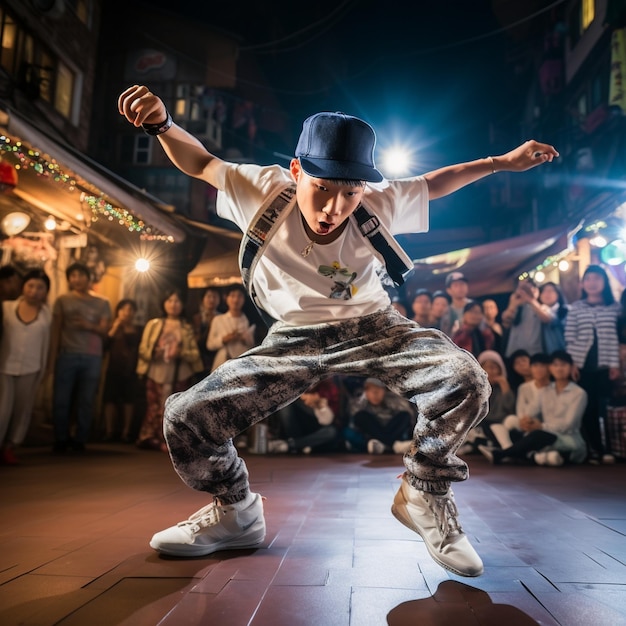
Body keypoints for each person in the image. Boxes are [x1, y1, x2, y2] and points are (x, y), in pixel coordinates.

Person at [118, 84, 558, 577]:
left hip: (373, 325)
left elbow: (436, 182)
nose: (333, 209)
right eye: (322, 190)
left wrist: (500, 162)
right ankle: (235, 512)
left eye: (349, 194)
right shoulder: (260, 189)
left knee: (465, 378)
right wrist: (162, 125)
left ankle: (424, 493)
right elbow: (201, 163)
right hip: (293, 337)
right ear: (297, 171)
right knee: (186, 415)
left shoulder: (377, 202)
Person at [479, 350, 587, 466]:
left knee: (537, 435)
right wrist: (527, 421)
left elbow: (568, 425)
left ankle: (502, 454)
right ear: (550, 368)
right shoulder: (546, 390)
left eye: (563, 365)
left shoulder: (578, 393)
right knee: (520, 432)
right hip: (545, 437)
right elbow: (532, 410)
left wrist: (541, 426)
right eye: (555, 365)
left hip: (569, 441)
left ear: (571, 368)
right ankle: (534, 456)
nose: (559, 369)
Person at [49, 262, 112, 453]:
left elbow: (105, 330)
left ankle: (80, 439)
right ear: (69, 279)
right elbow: (56, 330)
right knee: (61, 399)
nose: (76, 279)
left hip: (92, 356)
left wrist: (88, 325)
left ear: (89, 277)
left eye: (80, 275)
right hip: (67, 354)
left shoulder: (102, 302)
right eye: (73, 275)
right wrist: (52, 359)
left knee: (86, 400)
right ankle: (61, 438)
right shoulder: (62, 300)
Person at [565, 264, 621, 464]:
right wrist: (572, 364)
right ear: (583, 283)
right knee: (586, 407)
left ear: (604, 282)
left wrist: (615, 365)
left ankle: (606, 449)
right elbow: (570, 338)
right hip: (582, 365)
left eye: (597, 279)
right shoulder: (576, 307)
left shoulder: (615, 307)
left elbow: (615, 338)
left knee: (603, 408)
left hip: (605, 365)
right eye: (588, 279)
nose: (592, 283)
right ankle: (591, 450)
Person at [136, 289, 203, 451]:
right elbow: (143, 349)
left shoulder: (186, 327)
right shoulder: (153, 324)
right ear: (164, 303)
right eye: (170, 301)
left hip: (179, 372)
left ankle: (171, 439)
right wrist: (154, 352)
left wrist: (181, 353)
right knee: (154, 406)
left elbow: (194, 354)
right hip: (156, 370)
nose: (173, 305)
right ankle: (151, 436)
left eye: (177, 301)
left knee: (175, 407)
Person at [0, 269, 51, 464]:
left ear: (46, 291)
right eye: (30, 285)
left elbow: (50, 343)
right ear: (23, 286)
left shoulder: (47, 314)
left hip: (31, 366)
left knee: (22, 409)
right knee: (3, 409)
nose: (34, 291)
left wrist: (47, 367)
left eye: (40, 287)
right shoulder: (6, 308)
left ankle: (10, 446)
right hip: (4, 365)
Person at [488, 352, 552, 450]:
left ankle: (508, 451)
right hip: (524, 422)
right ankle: (508, 448)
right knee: (508, 421)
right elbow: (520, 409)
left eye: (523, 360)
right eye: (535, 366)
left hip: (543, 424)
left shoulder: (552, 388)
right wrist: (524, 420)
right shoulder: (523, 387)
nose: (538, 369)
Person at [102, 299, 142, 443]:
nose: (127, 312)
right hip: (113, 368)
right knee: (109, 399)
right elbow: (104, 346)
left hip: (131, 369)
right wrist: (114, 328)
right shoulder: (112, 327)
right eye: (123, 309)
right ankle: (109, 431)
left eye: (130, 309)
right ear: (118, 311)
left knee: (129, 400)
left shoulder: (138, 330)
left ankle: (126, 432)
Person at [269, 378, 342, 454]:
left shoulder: (329, 388)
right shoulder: (294, 385)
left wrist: (320, 406)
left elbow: (327, 421)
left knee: (331, 432)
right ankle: (301, 444)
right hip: (296, 429)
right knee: (284, 402)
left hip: (317, 429)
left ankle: (292, 444)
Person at [346, 377, 416, 455]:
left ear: (384, 391)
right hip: (371, 437)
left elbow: (408, 415)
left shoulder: (393, 399)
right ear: (366, 391)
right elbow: (354, 421)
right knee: (360, 417)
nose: (375, 394)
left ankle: (384, 445)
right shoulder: (359, 402)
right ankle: (395, 445)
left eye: (378, 390)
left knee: (405, 416)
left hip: (392, 431)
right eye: (371, 390)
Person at [206, 283, 256, 372]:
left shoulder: (248, 320)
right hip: (222, 364)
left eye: (239, 296)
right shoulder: (218, 319)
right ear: (226, 298)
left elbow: (254, 345)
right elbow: (210, 345)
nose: (236, 300)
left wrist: (244, 339)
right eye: (232, 296)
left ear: (244, 299)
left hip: (243, 365)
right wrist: (223, 340)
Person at [501, 278, 552, 359]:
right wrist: (513, 303)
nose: (529, 291)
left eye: (532, 288)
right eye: (524, 289)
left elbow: (547, 319)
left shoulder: (542, 307)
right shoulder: (517, 306)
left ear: (538, 290)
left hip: (535, 353)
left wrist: (531, 300)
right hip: (515, 353)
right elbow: (506, 321)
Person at [191, 287, 222, 378]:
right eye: (208, 296)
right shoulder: (196, 318)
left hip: (217, 358)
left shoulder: (222, 317)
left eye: (215, 297)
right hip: (199, 360)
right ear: (203, 299)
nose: (212, 299)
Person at [538, 281, 568, 354]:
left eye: (551, 291)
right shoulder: (535, 313)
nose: (547, 294)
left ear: (558, 294)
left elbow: (550, 319)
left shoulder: (566, 310)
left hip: (563, 354)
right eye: (544, 291)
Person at [439, 272, 470, 337]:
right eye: (456, 285)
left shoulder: (475, 307)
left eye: (462, 284)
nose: (460, 287)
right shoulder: (447, 312)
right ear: (449, 290)